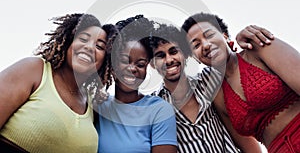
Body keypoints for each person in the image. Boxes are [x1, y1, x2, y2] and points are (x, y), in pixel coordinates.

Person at [181, 12, 300, 153]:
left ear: (224, 35)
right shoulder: (217, 95)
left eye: (209, 35)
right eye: (196, 45)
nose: (205, 45)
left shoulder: (258, 48)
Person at [150, 22, 271, 152]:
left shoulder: (209, 80)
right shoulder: (154, 107)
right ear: (152, 64)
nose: (169, 60)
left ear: (185, 54)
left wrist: (244, 37)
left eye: (173, 52)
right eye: (160, 56)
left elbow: (234, 62)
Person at [0, 13, 110, 153]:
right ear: (68, 42)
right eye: (83, 39)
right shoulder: (35, 70)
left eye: (100, 47)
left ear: (105, 61)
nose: (89, 47)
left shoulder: (92, 104)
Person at [94, 15, 177, 153]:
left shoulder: (159, 110)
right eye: (124, 61)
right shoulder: (98, 106)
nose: (132, 69)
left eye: (140, 64)